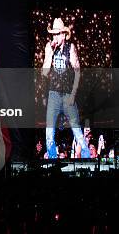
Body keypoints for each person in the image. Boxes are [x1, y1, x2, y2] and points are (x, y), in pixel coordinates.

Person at [42, 18, 89, 159]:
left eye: (57, 34)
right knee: (49, 131)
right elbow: (44, 72)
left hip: (68, 94)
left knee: (76, 129)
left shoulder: (71, 48)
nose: (55, 37)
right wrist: (50, 52)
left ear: (63, 35)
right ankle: (52, 161)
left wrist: (73, 94)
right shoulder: (49, 47)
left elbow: (78, 71)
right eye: (53, 34)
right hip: (54, 94)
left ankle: (87, 159)